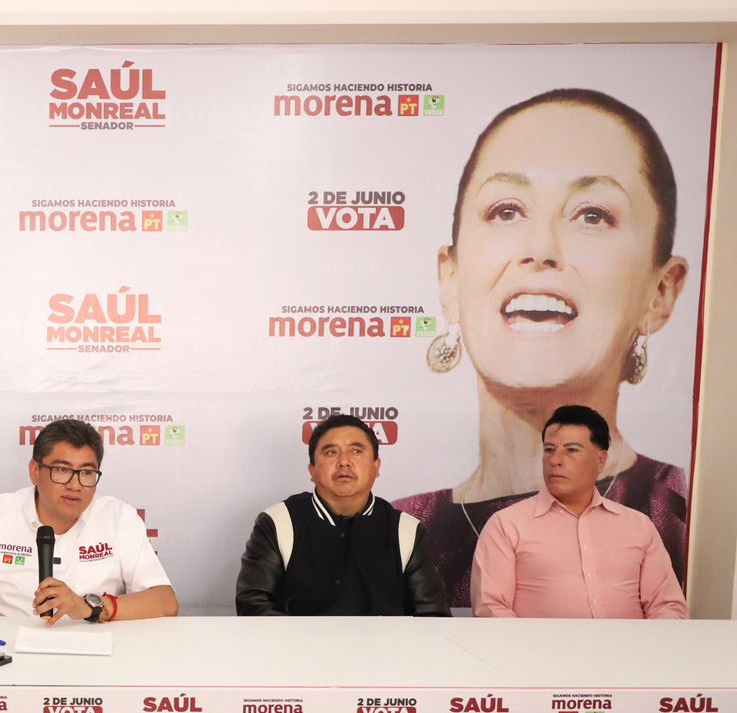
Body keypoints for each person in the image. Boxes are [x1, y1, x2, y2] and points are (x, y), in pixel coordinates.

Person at [398, 89, 692, 607]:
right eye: (507, 210)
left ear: (661, 291)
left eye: (592, 215)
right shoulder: (399, 529)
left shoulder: (680, 513)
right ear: (451, 277)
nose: (540, 250)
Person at [0, 418, 177, 622]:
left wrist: (89, 607)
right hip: (5, 655)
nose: (75, 485)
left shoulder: (119, 518)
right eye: (62, 470)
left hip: (95, 656)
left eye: (87, 473)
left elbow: (165, 602)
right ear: (35, 471)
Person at [471, 405, 686, 619]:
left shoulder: (638, 526)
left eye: (571, 450)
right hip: (539, 642)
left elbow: (667, 606)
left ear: (600, 460)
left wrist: (643, 641)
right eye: (549, 450)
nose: (555, 460)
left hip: (628, 642)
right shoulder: (507, 525)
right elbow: (491, 608)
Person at [237, 415, 449, 616]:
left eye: (356, 451)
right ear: (312, 470)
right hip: (298, 643)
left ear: (376, 467)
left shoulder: (405, 530)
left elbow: (432, 616)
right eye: (331, 452)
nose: (344, 462)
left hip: (387, 643)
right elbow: (254, 607)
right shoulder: (278, 522)